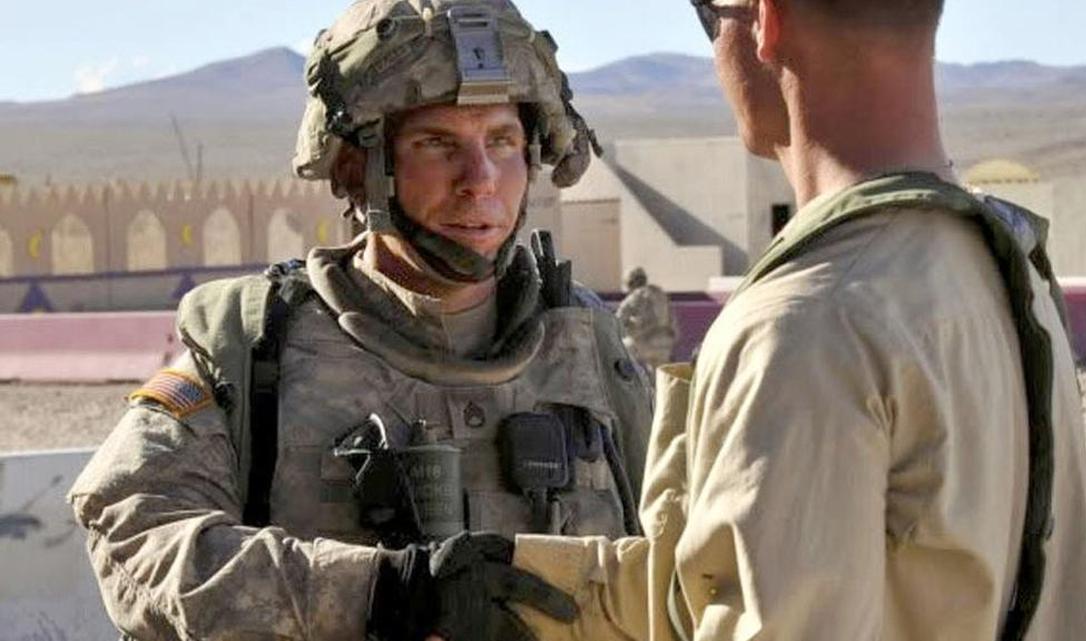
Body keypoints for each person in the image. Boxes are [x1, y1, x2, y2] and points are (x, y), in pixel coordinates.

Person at [509, 1, 1086, 640]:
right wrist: (507, 581)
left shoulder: (804, 323)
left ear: (768, 18)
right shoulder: (1006, 267)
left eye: (711, 16)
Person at [66, 1, 653, 639]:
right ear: (359, 168)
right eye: (438, 144)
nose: (480, 180)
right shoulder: (254, 341)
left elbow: (689, 555)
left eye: (502, 142)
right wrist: (380, 593)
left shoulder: (588, 344)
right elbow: (134, 535)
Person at [616, 267, 678, 373]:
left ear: (630, 283)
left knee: (618, 353)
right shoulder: (660, 294)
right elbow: (672, 320)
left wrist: (630, 326)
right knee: (659, 375)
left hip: (643, 343)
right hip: (664, 344)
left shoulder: (636, 296)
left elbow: (618, 319)